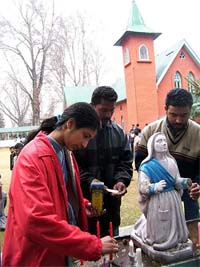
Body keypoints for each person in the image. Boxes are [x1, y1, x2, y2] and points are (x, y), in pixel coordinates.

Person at [2, 102, 119, 267]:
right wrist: (93, 245)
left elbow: (58, 194)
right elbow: (35, 220)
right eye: (85, 136)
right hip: (35, 257)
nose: (85, 145)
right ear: (69, 124)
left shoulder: (67, 154)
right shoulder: (32, 157)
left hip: (57, 254)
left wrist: (80, 205)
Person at [74, 86, 133, 237]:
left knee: (113, 248)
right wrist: (89, 180)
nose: (108, 115)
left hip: (112, 208)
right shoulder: (79, 133)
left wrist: (121, 180)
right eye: (103, 110)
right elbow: (72, 166)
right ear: (92, 105)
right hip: (84, 205)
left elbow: (125, 163)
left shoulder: (119, 133)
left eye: (111, 110)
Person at [135, 88, 200, 221]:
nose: (178, 120)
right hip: (160, 191)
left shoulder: (198, 133)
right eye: (173, 114)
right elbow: (141, 164)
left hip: (188, 188)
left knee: (192, 224)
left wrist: (197, 184)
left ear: (190, 111)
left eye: (184, 115)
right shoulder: (150, 131)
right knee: (162, 225)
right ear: (165, 109)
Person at [134, 132, 192, 251]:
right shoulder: (147, 166)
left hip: (173, 199)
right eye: (159, 141)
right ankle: (162, 241)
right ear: (152, 146)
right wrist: (154, 187)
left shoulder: (172, 161)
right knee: (162, 223)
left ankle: (177, 239)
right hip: (158, 200)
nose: (163, 143)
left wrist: (184, 182)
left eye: (164, 140)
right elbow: (142, 187)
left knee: (175, 223)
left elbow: (175, 181)